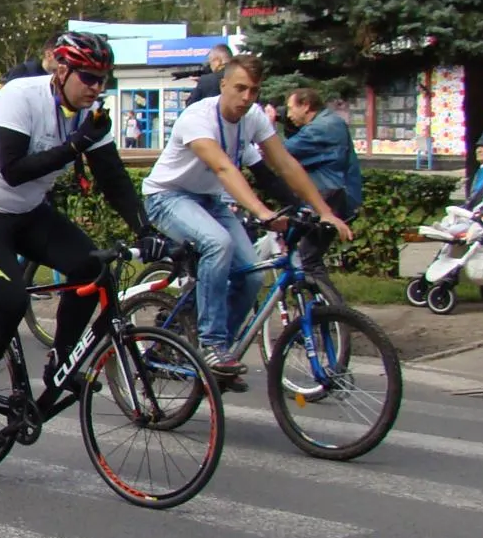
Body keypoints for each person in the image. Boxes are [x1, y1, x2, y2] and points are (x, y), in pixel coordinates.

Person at [0, 32, 153, 443]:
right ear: (62, 71)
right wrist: (76, 145)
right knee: (11, 300)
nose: (96, 88)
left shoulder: (89, 117)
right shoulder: (21, 96)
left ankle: (62, 360)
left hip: (26, 212)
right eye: (89, 78)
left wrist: (146, 229)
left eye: (103, 80)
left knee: (91, 265)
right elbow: (14, 169)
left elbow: (113, 180)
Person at [142, 54, 354, 383]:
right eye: (240, 88)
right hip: (167, 197)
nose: (246, 97)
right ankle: (211, 344)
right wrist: (262, 212)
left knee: (252, 276)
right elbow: (224, 168)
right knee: (218, 244)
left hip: (208, 201)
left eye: (253, 90)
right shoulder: (198, 117)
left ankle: (220, 354)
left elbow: (284, 164)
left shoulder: (252, 117)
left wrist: (324, 212)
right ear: (223, 84)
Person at [278, 87, 364, 282]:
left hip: (330, 197)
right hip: (331, 195)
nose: (289, 115)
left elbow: (282, 151)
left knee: (308, 260)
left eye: (291, 109)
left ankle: (334, 310)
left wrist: (266, 124)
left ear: (306, 106)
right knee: (300, 254)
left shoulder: (322, 127)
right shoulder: (329, 122)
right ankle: (320, 306)